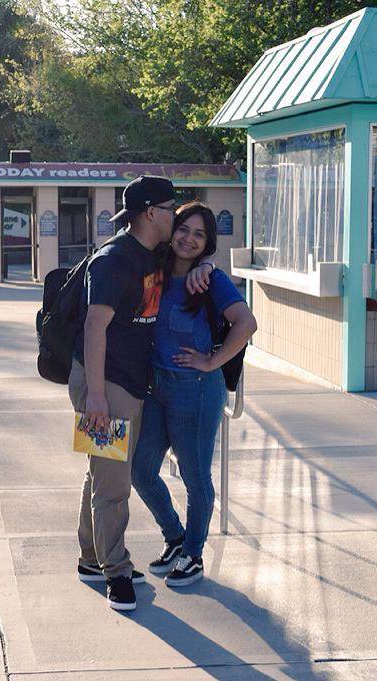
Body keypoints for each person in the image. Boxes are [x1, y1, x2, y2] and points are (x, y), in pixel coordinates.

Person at [70, 176, 214, 611]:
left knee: (102, 474)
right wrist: (95, 395)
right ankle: (116, 572)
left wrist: (207, 266)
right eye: (172, 209)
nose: (177, 217)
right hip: (105, 383)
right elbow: (94, 326)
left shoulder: (151, 254)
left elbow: (194, 259)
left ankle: (92, 559)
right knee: (113, 486)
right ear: (152, 213)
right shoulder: (115, 260)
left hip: (127, 385)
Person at [130, 202, 257, 587]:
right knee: (139, 468)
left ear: (208, 243)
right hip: (156, 388)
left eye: (199, 234)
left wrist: (211, 361)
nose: (188, 239)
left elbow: (246, 324)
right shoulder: (157, 270)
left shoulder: (211, 281)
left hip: (196, 391)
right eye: (184, 229)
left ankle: (193, 554)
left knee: (195, 476)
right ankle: (175, 536)